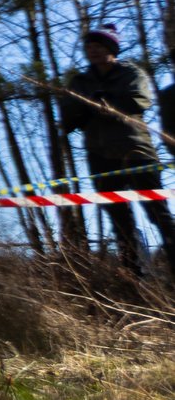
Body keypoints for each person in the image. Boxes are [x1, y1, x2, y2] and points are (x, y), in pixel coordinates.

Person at [59, 25, 175, 275]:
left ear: (111, 49)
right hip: (99, 155)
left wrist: (108, 103)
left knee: (158, 214)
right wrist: (83, 112)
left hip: (136, 150)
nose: (94, 53)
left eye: (99, 47)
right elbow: (67, 116)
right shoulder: (80, 81)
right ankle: (133, 278)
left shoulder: (131, 73)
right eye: (89, 48)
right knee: (119, 220)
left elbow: (140, 99)